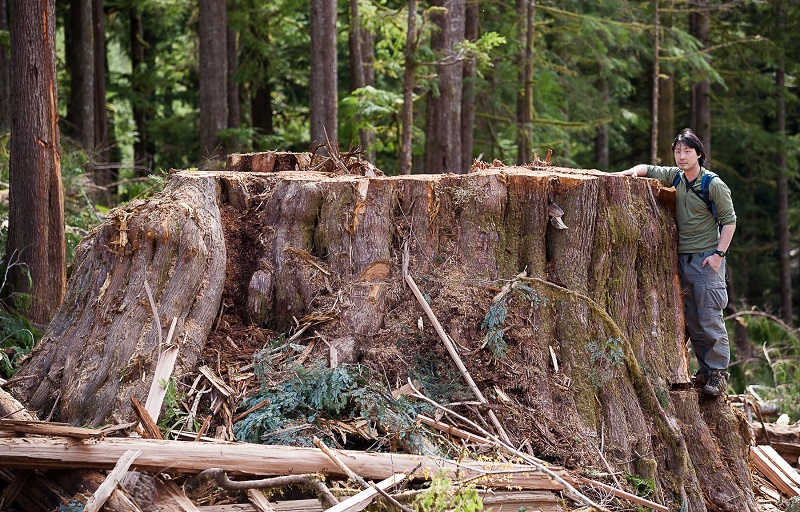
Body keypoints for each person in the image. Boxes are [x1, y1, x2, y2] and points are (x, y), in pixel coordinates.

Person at [618, 128, 736, 397]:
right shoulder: (677, 177)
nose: (682, 156)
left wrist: (718, 255)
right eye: (678, 151)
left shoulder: (713, 184)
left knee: (710, 317)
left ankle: (718, 374)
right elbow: (647, 168)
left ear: (699, 154)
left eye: (687, 151)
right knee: (693, 319)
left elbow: (729, 221)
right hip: (683, 260)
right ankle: (705, 370)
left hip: (707, 261)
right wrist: (630, 173)